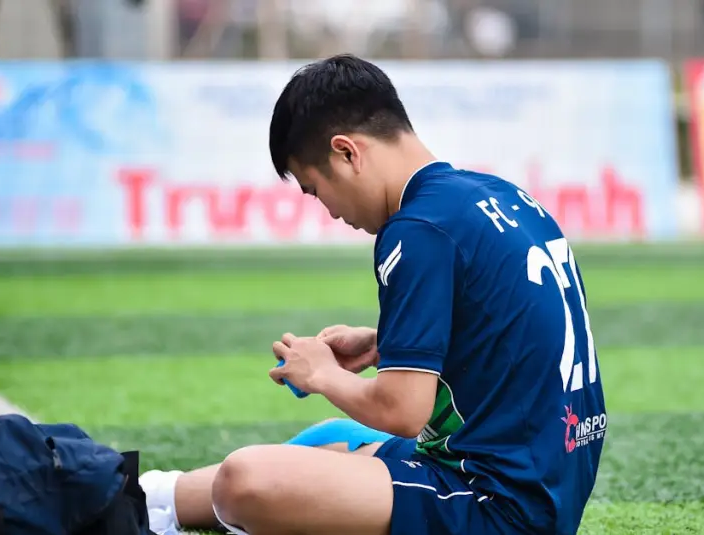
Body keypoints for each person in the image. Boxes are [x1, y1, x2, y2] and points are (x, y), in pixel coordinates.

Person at [139, 53, 607, 535]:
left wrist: (321, 374)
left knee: (246, 481)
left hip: (499, 504)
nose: (330, 211)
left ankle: (143, 503)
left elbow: (401, 413)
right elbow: (509, 323)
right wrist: (387, 343)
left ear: (347, 152)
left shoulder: (417, 229)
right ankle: (141, 500)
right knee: (334, 441)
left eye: (316, 190)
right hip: (550, 479)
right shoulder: (501, 195)